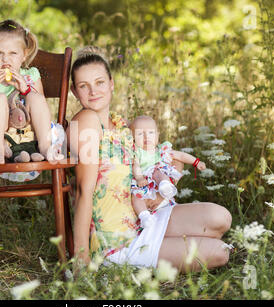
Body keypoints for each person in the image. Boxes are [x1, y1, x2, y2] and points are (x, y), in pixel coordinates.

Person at [67, 46, 232, 273]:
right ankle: (121, 261)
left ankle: (166, 244)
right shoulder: (85, 122)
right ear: (74, 91)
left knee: (220, 218)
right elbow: (83, 191)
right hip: (118, 241)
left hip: (145, 217)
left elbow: (158, 160)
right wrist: (81, 258)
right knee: (220, 251)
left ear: (112, 83)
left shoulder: (121, 125)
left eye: (99, 82)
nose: (93, 91)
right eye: (84, 86)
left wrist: (163, 190)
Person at [0, 19, 58, 165]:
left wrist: (25, 89)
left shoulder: (31, 75)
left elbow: (42, 107)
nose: (6, 59)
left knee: (35, 96)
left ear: (24, 55)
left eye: (13, 53)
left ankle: (45, 147)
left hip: (30, 134)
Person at [129, 115, 207, 230]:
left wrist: (196, 162)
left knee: (157, 172)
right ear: (133, 137)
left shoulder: (162, 150)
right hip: (145, 187)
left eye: (151, 133)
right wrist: (139, 178)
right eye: (140, 134)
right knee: (135, 197)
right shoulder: (137, 152)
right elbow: (135, 166)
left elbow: (180, 155)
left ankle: (165, 186)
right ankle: (145, 216)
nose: (146, 137)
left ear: (157, 134)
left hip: (160, 186)